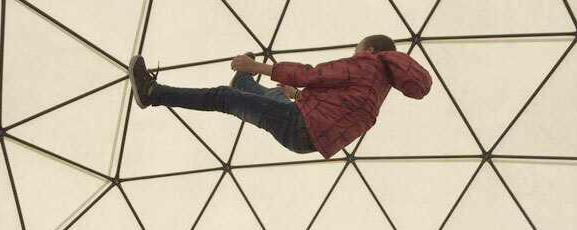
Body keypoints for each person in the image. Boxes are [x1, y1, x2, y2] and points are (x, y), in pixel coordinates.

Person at [128, 35, 431, 159]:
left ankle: (151, 93)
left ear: (369, 51)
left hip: (297, 123)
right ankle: (244, 82)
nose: (353, 54)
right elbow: (339, 111)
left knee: (224, 98)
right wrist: (297, 94)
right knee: (274, 97)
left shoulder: (367, 65)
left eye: (356, 50)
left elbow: (315, 74)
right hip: (304, 135)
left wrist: (258, 65)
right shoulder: (380, 88)